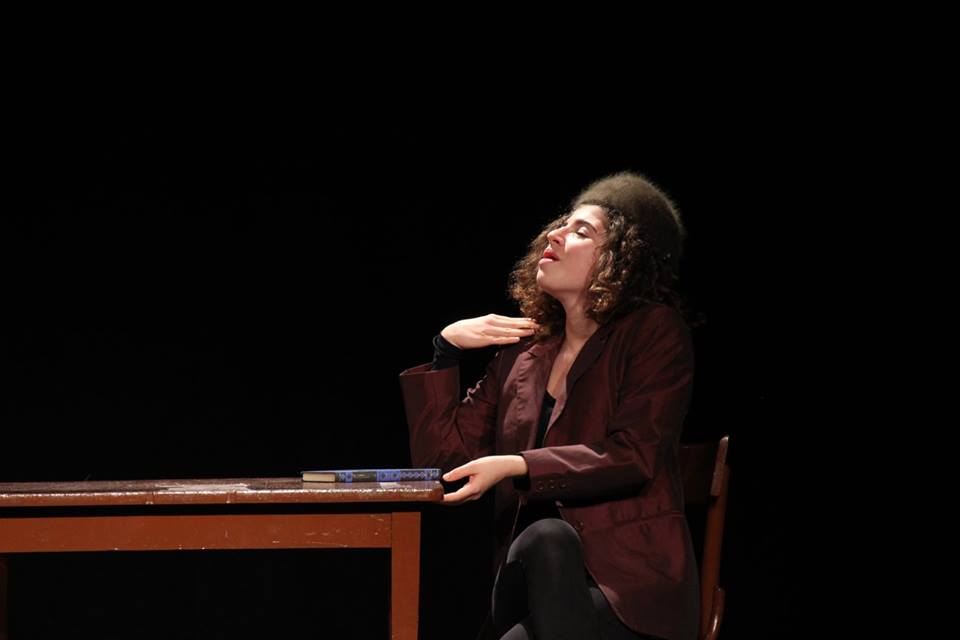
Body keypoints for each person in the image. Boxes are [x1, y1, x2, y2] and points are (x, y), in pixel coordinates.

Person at [399, 171, 700, 640]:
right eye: (561, 225)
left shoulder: (654, 334)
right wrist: (446, 350)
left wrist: (518, 464)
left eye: (582, 231)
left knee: (547, 551)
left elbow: (635, 454)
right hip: (528, 579)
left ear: (624, 260)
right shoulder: (525, 352)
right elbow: (441, 463)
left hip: (627, 592)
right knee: (546, 539)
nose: (555, 235)